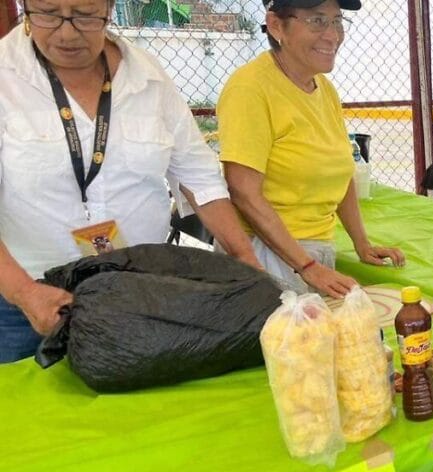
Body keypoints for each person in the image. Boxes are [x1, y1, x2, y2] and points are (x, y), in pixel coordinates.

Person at [0, 0, 258, 364]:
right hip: (28, 303)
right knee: (26, 413)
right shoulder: (4, 76)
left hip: (140, 293)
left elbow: (199, 175)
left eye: (86, 15)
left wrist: (243, 256)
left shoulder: (147, 76)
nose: (67, 31)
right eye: (48, 14)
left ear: (109, 8)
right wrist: (26, 293)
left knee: (138, 413)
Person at [217, 0, 404, 298]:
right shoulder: (250, 88)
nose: (333, 35)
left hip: (313, 250)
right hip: (266, 255)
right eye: (317, 21)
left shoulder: (324, 89)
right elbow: (243, 192)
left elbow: (341, 174)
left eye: (337, 21)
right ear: (277, 25)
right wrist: (306, 266)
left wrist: (362, 243)